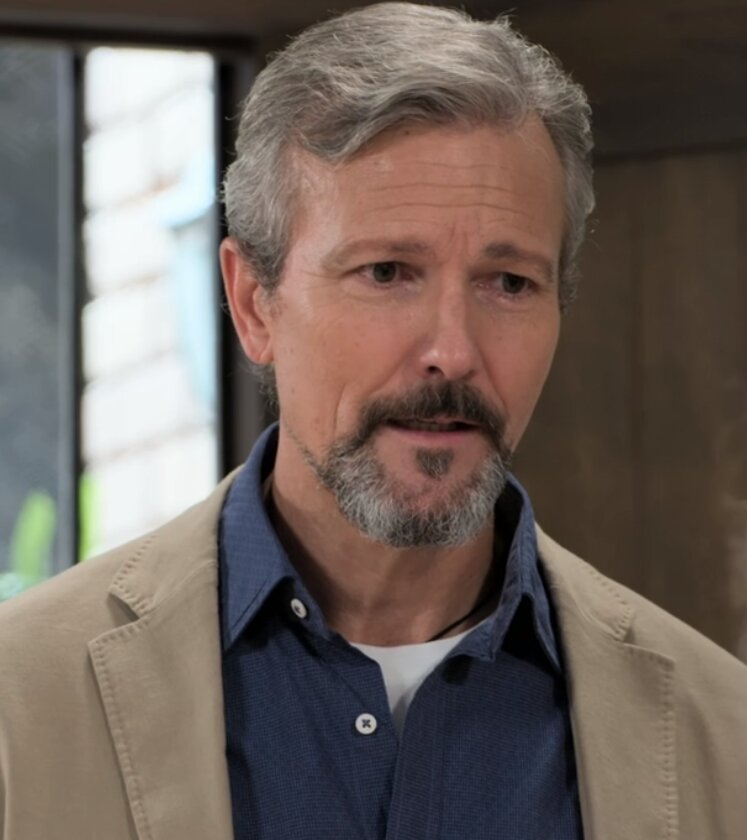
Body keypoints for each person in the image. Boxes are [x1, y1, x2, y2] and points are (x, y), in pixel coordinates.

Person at [1, 3, 745, 839]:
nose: (452, 352)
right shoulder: (17, 705)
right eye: (387, 272)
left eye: (508, 283)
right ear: (253, 304)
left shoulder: (723, 739)